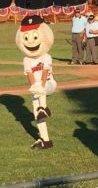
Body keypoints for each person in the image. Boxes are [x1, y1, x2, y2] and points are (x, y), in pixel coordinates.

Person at [15, 15, 57, 149]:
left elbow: (45, 73)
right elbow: (30, 74)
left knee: (40, 88)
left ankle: (43, 107)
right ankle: (45, 140)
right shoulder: (26, 59)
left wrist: (39, 86)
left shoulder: (46, 56)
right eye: (26, 37)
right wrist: (34, 86)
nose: (31, 42)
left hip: (49, 84)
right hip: (37, 88)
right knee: (38, 117)